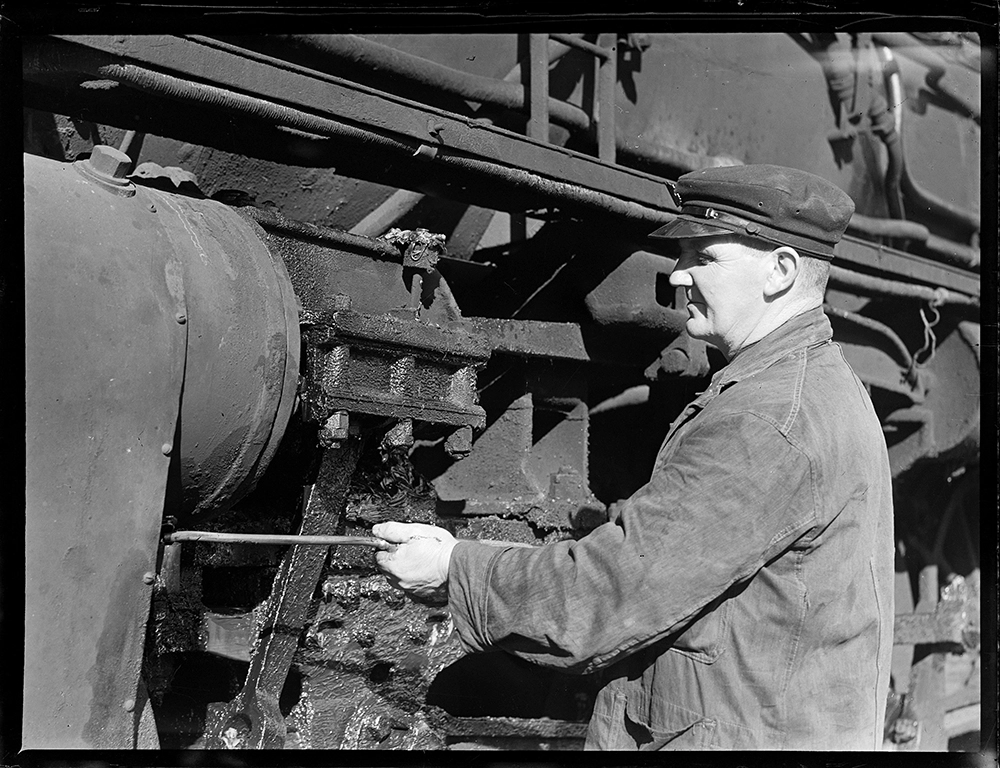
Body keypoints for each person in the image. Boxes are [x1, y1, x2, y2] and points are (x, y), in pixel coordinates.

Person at [373, 164, 895, 750]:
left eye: (703, 257)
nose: (677, 276)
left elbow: (614, 593)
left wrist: (458, 571)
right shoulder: (809, 384)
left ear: (780, 270)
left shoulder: (765, 418)